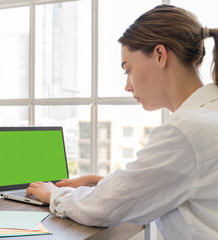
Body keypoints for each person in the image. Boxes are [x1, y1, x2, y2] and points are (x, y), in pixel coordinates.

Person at [26, 4, 218, 239]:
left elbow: (103, 210)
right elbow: (175, 181)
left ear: (160, 55)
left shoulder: (186, 130)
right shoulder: (208, 115)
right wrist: (102, 182)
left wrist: (53, 194)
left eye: (128, 69)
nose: (127, 85)